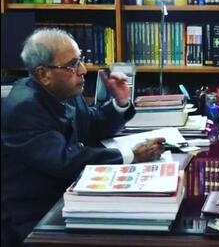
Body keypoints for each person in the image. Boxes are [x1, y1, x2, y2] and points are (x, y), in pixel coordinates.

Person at [1, 28, 165, 246]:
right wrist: (131, 155)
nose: (83, 70)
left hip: (73, 196)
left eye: (80, 60)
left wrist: (120, 103)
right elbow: (64, 161)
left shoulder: (64, 91)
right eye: (71, 65)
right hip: (37, 215)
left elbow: (92, 125)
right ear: (43, 74)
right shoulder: (24, 108)